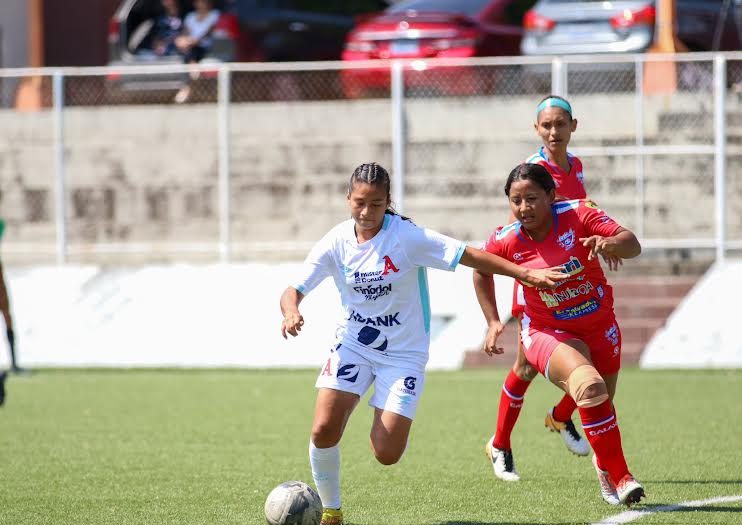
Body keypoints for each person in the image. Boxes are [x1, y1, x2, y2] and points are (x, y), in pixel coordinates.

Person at [280, 162, 567, 525]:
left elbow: (468, 255)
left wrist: (524, 273)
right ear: (348, 198)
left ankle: (383, 410)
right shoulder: (336, 241)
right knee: (323, 429)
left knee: (386, 453)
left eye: (376, 204)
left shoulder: (406, 237)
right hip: (353, 344)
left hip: (403, 355)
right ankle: (331, 512)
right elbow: (293, 290)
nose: (367, 212)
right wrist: (291, 311)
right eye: (359, 203)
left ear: (389, 202)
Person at [473, 163, 644, 506]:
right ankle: (623, 477)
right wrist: (493, 321)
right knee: (588, 385)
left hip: (600, 325)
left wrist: (610, 243)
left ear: (551, 196)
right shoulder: (507, 239)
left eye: (532, 199)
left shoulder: (579, 213)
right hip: (545, 330)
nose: (524, 208)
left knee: (601, 402)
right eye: (516, 201)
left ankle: (602, 464)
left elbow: (632, 244)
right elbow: (480, 269)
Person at [483, 95, 623, 482]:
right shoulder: (536, 169)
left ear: (573, 126)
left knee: (585, 367)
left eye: (560, 124)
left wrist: (604, 242)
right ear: (537, 129)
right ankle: (500, 443)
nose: (553, 131)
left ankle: (560, 416)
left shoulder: (575, 165)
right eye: (546, 125)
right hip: (537, 281)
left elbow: (580, 212)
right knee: (526, 366)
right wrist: (521, 282)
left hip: (571, 277)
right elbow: (519, 227)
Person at [173, 0, 220, 103]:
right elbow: (185, 32)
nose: (200, 3)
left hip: (207, 48)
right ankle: (193, 66)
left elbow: (209, 32)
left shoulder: (215, 15)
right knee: (186, 50)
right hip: (190, 47)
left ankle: (186, 88)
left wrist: (194, 41)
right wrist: (183, 40)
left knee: (188, 53)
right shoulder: (190, 16)